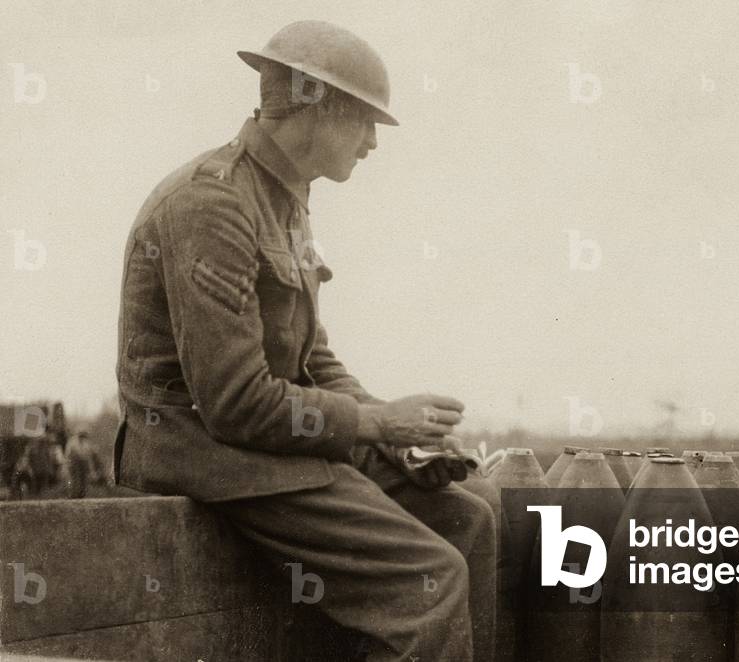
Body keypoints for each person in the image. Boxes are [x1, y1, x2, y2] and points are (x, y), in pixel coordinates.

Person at [114, 20, 494, 662]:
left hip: (263, 443)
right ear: (314, 102)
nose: (373, 142)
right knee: (430, 583)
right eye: (364, 120)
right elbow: (234, 402)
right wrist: (376, 425)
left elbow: (311, 358)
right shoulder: (213, 204)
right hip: (202, 447)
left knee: (471, 519)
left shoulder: (285, 200)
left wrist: (404, 436)